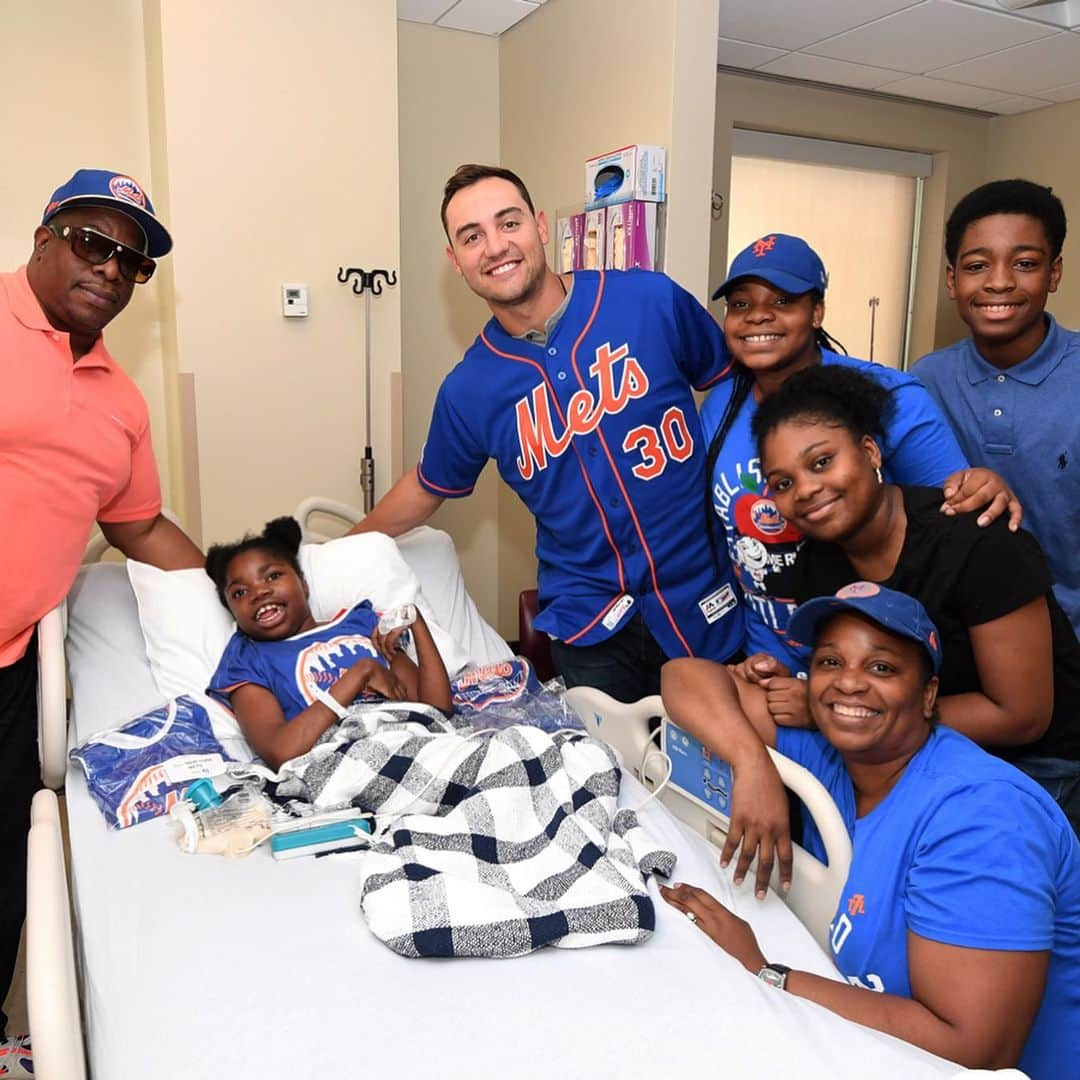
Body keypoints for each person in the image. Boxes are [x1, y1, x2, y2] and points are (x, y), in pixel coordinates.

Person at [351, 163, 743, 702]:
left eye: (507, 223)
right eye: (472, 237)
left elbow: (735, 387)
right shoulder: (470, 389)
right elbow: (427, 485)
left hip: (704, 601)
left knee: (724, 773)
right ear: (455, 261)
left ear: (539, 225)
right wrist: (340, 553)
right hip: (592, 628)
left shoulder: (650, 301)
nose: (495, 246)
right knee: (613, 778)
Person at [660, 586, 1080, 1077]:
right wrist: (752, 764)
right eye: (830, 663)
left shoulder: (981, 819)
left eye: (881, 668)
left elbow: (974, 1050)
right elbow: (683, 676)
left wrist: (764, 971)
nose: (849, 684)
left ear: (928, 695)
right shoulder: (835, 753)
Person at [0, 168, 203, 1068]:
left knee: (5, 867)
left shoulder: (121, 401)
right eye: (94, 242)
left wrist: (241, 599)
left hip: (11, 670)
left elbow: (137, 525)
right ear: (44, 238)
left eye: (134, 262)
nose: (113, 270)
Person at [750, 363, 1080, 830]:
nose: (805, 490)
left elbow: (1021, 716)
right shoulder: (816, 567)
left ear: (869, 451)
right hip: (908, 745)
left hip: (1034, 763)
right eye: (783, 483)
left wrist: (835, 710)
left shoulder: (978, 541)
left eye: (822, 462)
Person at [702, 232, 1019, 676]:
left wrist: (982, 484)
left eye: (781, 301)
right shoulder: (720, 404)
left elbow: (953, 522)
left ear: (817, 312)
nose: (758, 316)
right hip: (763, 657)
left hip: (873, 666)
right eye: (740, 304)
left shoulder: (887, 397)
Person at [914, 179, 1079, 635]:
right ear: (953, 280)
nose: (1000, 281)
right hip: (962, 633)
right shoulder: (926, 380)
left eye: (1025, 263)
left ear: (1054, 273)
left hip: (1069, 635)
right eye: (977, 265)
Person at [205, 518, 451, 770]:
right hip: (352, 765)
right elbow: (281, 752)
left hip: (423, 747)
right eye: (239, 593)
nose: (259, 593)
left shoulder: (363, 625)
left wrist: (417, 624)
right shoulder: (247, 660)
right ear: (232, 611)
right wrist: (361, 673)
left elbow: (439, 713)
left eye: (273, 576)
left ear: (303, 584)